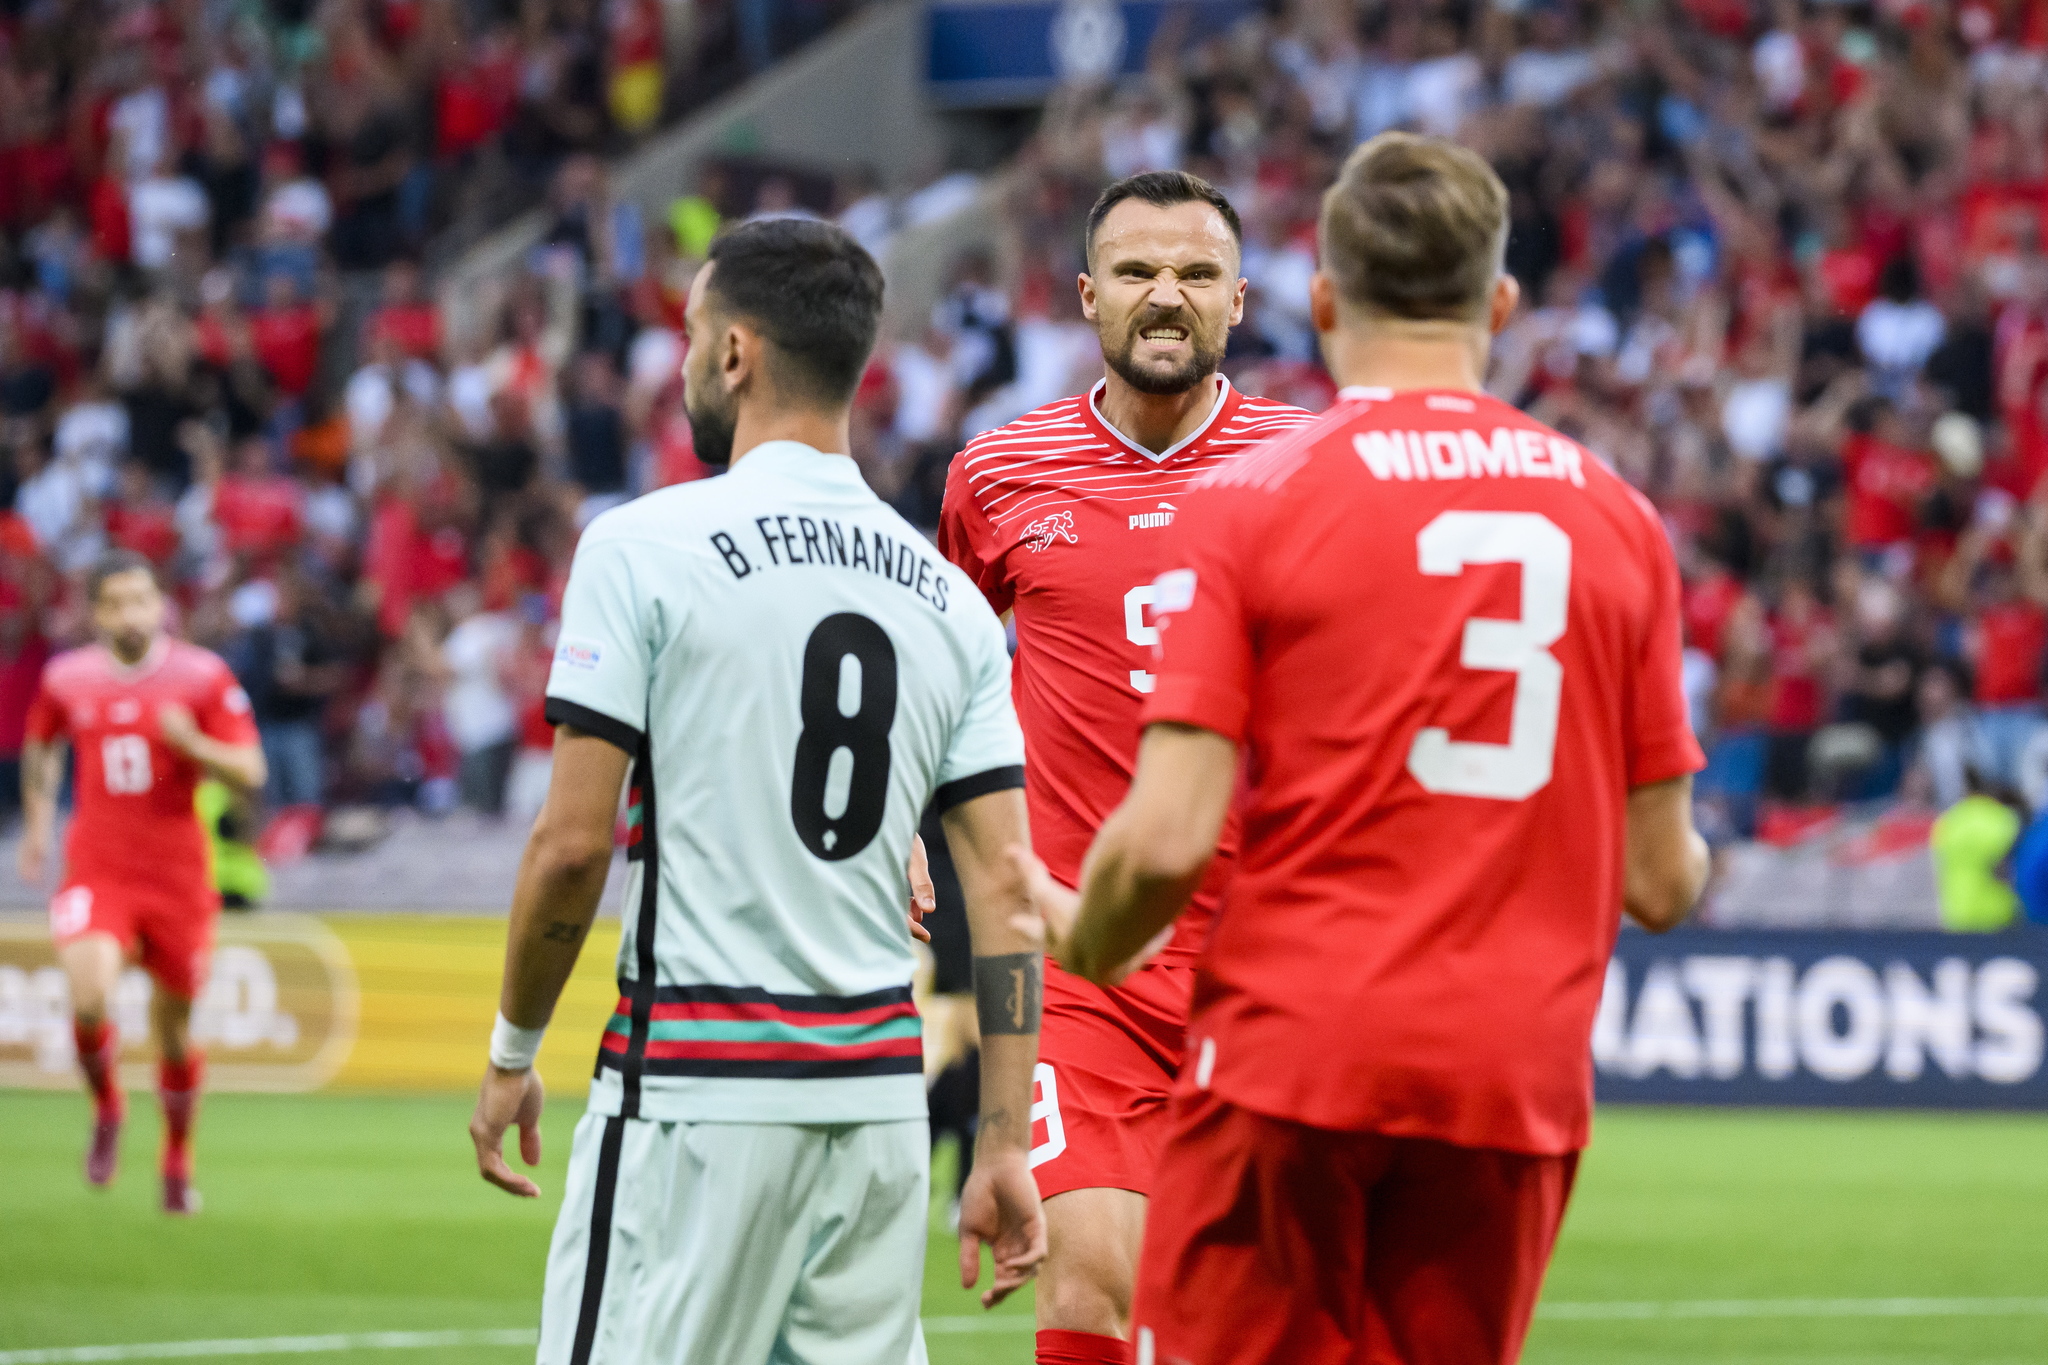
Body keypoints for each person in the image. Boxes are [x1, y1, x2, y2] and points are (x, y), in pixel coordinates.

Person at [1017, 133, 1710, 1365]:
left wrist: (1066, 928)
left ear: (1321, 300)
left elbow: (1168, 836)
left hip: (1299, 1048)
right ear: (1498, 303)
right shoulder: (1616, 513)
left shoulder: (1255, 496)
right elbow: (1663, 882)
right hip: (1511, 1074)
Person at [466, 219, 1047, 1365]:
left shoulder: (641, 547)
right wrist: (1001, 1144)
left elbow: (573, 849)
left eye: (688, 333)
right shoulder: (948, 599)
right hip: (877, 1113)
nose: (683, 360)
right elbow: (1012, 901)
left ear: (733, 353)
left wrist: (510, 1048)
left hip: (694, 1100)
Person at [937, 170, 1310, 1365]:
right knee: (1086, 1288)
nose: (1167, 296)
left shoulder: (1309, 469)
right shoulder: (997, 474)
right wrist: (905, 825)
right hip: (1080, 957)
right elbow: (935, 670)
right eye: (1140, 272)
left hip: (1269, 959)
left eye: (1196, 274)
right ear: (1088, 297)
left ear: (1238, 302)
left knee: (1249, 1319)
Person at [17, 549, 267, 1212]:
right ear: (95, 612)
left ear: (161, 606)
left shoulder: (202, 677)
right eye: (117, 601)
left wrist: (194, 745)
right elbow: (41, 743)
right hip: (98, 868)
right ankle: (108, 1108)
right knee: (90, 991)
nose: (132, 612)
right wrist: (40, 823)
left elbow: (251, 770)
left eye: (142, 599)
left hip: (178, 878)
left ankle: (177, 1157)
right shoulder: (67, 678)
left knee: (176, 1029)